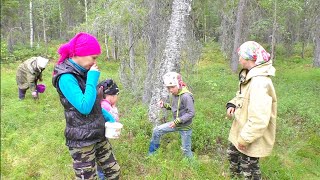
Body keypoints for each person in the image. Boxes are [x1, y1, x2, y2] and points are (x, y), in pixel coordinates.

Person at [52, 32, 120, 180]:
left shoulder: (83, 71)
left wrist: (108, 117)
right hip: (81, 140)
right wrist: (92, 78)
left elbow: (93, 103)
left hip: (98, 133)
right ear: (80, 54)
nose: (95, 62)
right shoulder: (66, 77)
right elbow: (84, 106)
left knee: (114, 172)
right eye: (93, 57)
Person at [225, 41, 277, 180]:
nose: (239, 59)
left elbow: (259, 119)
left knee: (250, 169)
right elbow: (241, 96)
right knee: (233, 156)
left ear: (249, 58)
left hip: (250, 135)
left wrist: (244, 139)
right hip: (240, 128)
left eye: (240, 56)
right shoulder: (249, 76)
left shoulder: (260, 83)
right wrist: (232, 104)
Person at [148, 72, 195, 158]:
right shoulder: (174, 95)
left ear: (179, 84)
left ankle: (192, 166)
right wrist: (165, 105)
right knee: (156, 130)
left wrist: (177, 121)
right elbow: (175, 108)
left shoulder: (186, 96)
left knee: (186, 151)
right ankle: (152, 154)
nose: (170, 90)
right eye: (168, 88)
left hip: (185, 127)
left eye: (173, 87)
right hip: (175, 124)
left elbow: (191, 113)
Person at [97, 78, 120, 180]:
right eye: (117, 96)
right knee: (104, 157)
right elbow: (114, 120)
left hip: (97, 134)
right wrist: (114, 107)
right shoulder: (106, 106)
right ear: (112, 96)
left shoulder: (100, 102)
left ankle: (101, 172)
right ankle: (102, 175)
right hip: (100, 135)